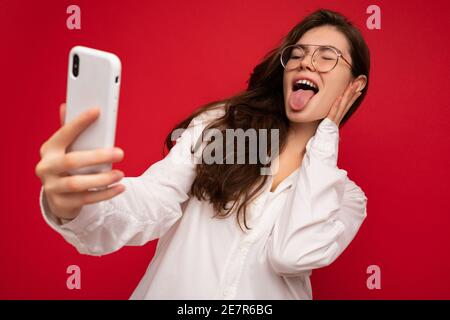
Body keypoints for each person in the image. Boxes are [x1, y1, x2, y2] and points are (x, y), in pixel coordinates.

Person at [35, 8, 370, 299]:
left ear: (354, 85)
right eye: (296, 54)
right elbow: (153, 200)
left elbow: (292, 255)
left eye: (327, 56)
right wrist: (79, 204)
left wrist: (326, 135)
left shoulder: (346, 199)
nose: (306, 62)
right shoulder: (224, 128)